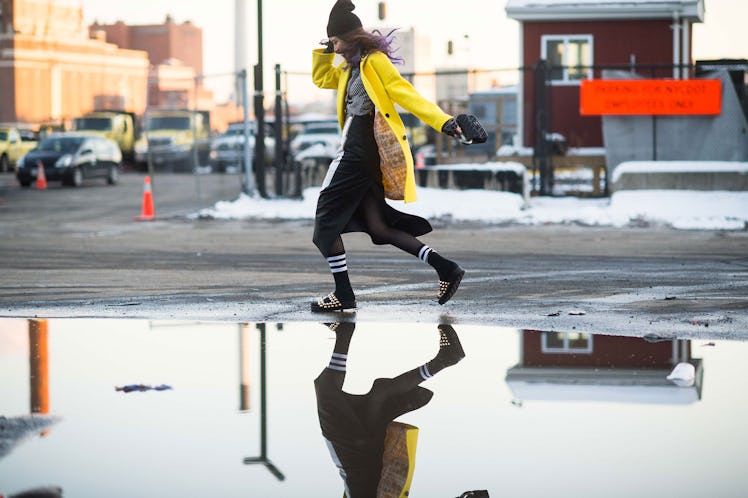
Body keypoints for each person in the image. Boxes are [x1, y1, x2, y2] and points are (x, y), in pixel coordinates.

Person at [310, 0, 466, 313]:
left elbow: (405, 92)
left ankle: (344, 294)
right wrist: (326, 50)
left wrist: (444, 122)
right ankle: (445, 267)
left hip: (358, 151)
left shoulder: (373, 61)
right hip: (359, 152)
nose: (334, 47)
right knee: (379, 228)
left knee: (325, 225)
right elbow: (321, 78)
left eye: (336, 41)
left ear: (351, 37)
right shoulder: (348, 67)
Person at [314, 321, 466, 497]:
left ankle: (445, 358)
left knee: (380, 393)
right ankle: (344, 332)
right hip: (354, 456)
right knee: (327, 392)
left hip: (368, 454)